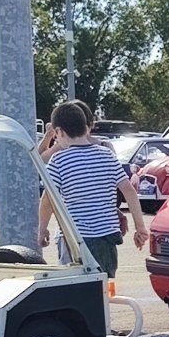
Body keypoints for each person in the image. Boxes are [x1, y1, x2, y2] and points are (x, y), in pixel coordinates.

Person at [37, 101, 149, 279]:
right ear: (86, 127)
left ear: (59, 132)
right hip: (107, 238)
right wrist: (140, 227)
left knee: (74, 287)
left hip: (75, 240)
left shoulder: (58, 160)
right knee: (102, 287)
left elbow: (47, 200)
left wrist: (42, 229)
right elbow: (129, 191)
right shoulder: (107, 155)